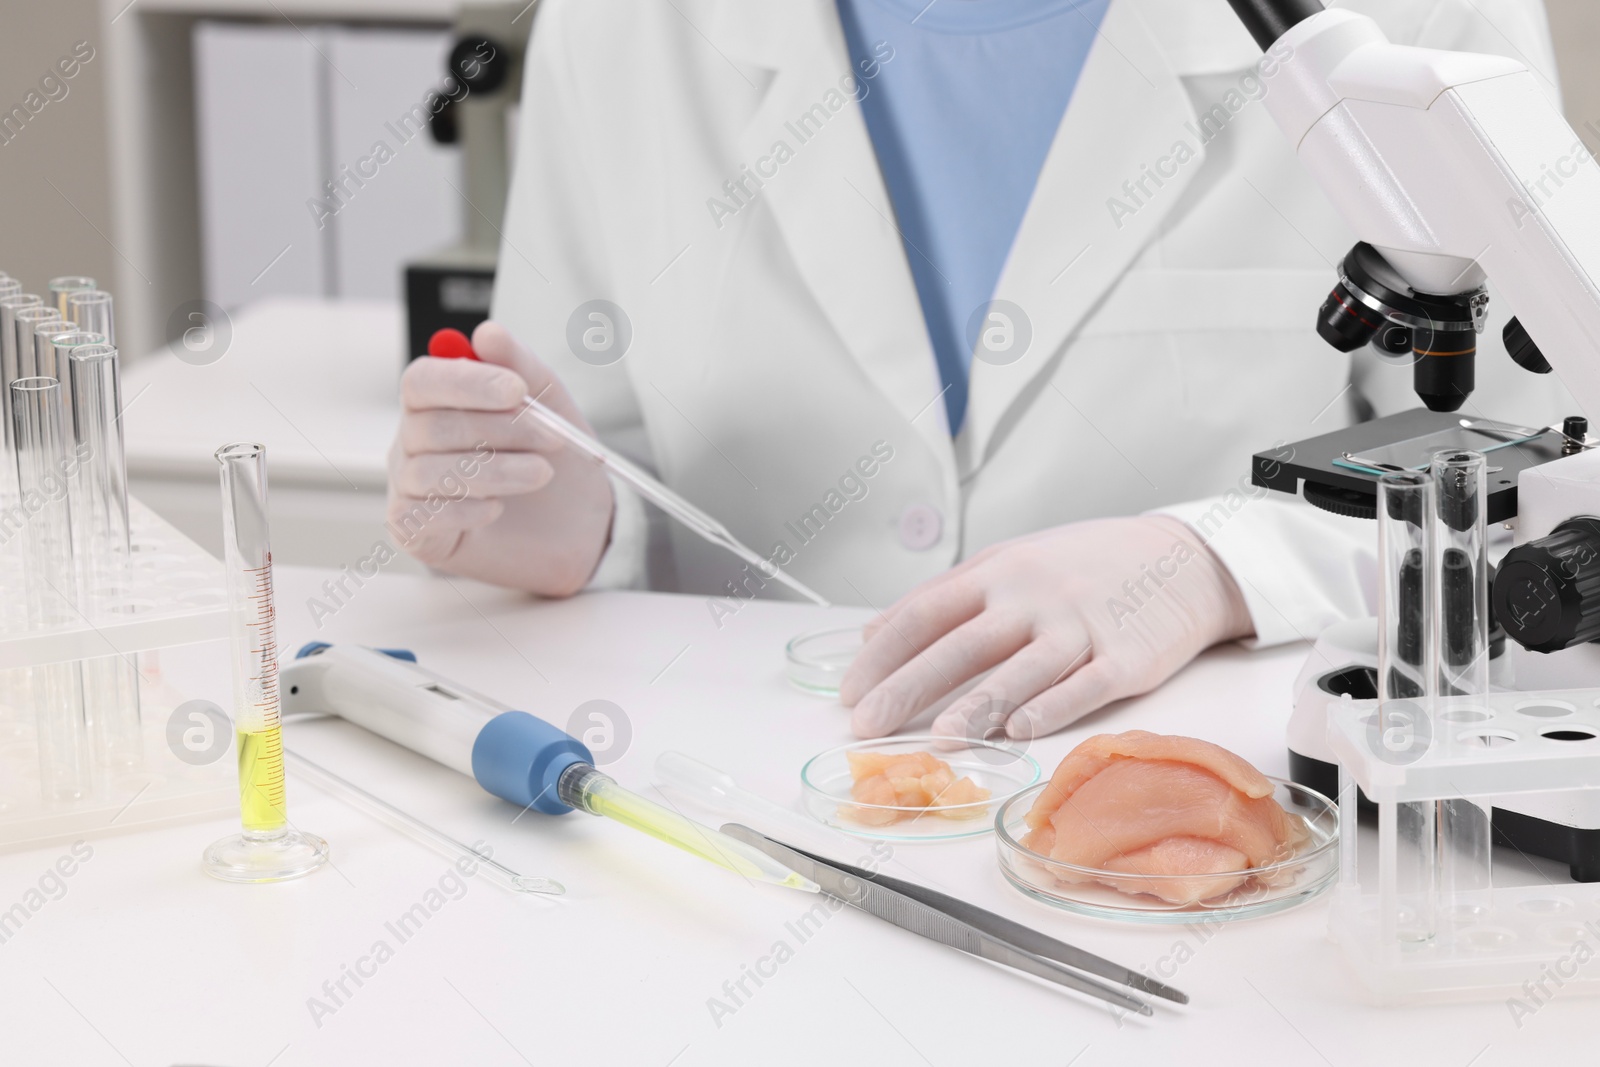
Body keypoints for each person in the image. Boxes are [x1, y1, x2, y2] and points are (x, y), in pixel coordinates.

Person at [388, 0, 1570, 741]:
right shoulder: (620, 29)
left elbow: (1551, 488)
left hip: (1223, 859)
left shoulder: (1426, 22)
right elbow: (597, 455)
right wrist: (569, 522)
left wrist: (1213, 564)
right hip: (740, 829)